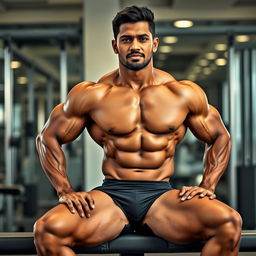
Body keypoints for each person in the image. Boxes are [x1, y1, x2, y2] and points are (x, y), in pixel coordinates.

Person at [33, 6, 242, 256]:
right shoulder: (93, 95)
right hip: (112, 195)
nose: (135, 46)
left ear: (154, 44)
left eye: (142, 39)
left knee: (229, 223)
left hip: (160, 196)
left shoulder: (182, 93)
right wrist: (64, 190)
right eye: (126, 39)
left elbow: (220, 136)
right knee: (47, 230)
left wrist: (208, 184)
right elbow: (47, 137)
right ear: (115, 45)